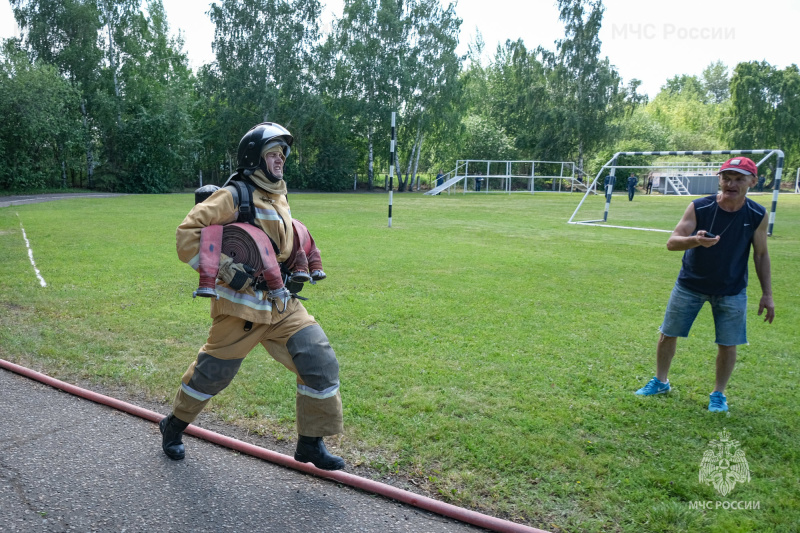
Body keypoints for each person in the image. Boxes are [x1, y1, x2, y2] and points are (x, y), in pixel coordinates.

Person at [160, 122, 345, 470]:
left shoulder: (279, 194)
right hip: (241, 310)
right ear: (254, 158)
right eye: (272, 155)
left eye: (282, 155)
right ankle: (173, 425)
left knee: (319, 363)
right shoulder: (234, 195)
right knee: (210, 376)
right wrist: (229, 272)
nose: (280, 161)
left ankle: (309, 444)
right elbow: (187, 236)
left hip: (282, 304)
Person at [635, 157, 775, 413]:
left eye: (739, 179)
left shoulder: (757, 214)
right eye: (726, 178)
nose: (731, 184)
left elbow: (761, 254)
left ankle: (718, 394)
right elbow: (672, 242)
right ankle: (661, 381)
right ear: (719, 179)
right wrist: (695, 240)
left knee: (728, 343)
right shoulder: (700, 206)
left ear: (752, 182)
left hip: (731, 289)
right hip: (690, 284)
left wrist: (767, 293)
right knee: (668, 334)